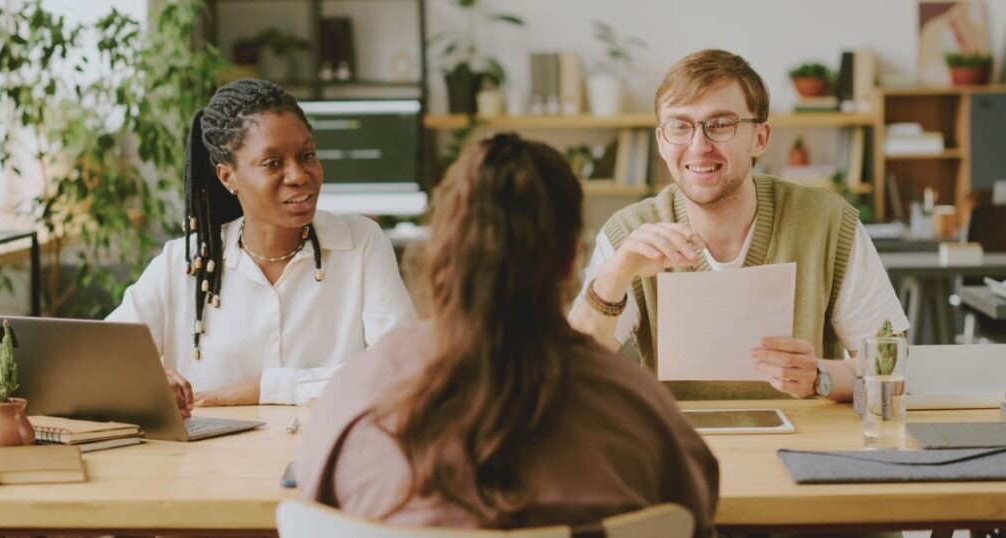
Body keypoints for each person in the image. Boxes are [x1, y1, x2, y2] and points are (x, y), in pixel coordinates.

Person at [296, 134, 719, 536]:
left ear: (441, 249)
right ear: (572, 258)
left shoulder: (355, 395)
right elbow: (694, 517)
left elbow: (313, 509)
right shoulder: (639, 409)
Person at [569, 49, 909, 401]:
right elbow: (571, 373)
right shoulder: (629, 234)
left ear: (760, 138)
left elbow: (894, 367)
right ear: (661, 142)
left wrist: (821, 376)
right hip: (679, 446)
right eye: (680, 126)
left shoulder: (828, 222)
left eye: (720, 124)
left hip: (800, 445)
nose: (698, 146)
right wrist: (615, 276)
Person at [107, 78, 416, 412]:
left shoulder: (362, 244)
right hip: (207, 464)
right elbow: (100, 361)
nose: (299, 174)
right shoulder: (181, 264)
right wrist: (145, 381)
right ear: (228, 177)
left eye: (307, 155)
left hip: (323, 459)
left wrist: (266, 387)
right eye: (273, 163)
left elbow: (403, 371)